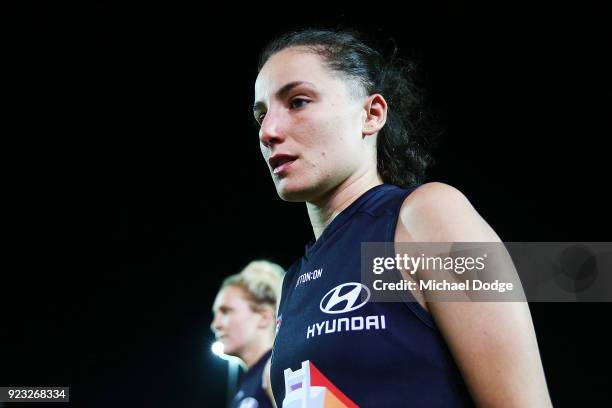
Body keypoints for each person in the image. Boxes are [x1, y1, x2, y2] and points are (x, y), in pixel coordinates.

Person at [253, 28, 552, 407]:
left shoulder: (424, 219)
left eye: (297, 102)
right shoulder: (292, 283)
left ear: (371, 114)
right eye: (261, 115)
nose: (268, 131)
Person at [211, 260, 285, 408]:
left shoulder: (274, 371)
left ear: (264, 317)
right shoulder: (248, 383)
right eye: (215, 314)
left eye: (226, 311)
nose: (215, 325)